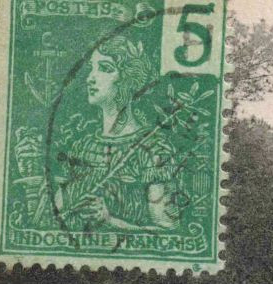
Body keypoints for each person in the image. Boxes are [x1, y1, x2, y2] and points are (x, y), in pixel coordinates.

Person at [51, 36, 180, 233]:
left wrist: (110, 221)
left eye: (105, 68)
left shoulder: (154, 148)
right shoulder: (81, 147)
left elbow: (168, 232)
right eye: (92, 68)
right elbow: (55, 216)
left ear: (127, 80)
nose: (90, 78)